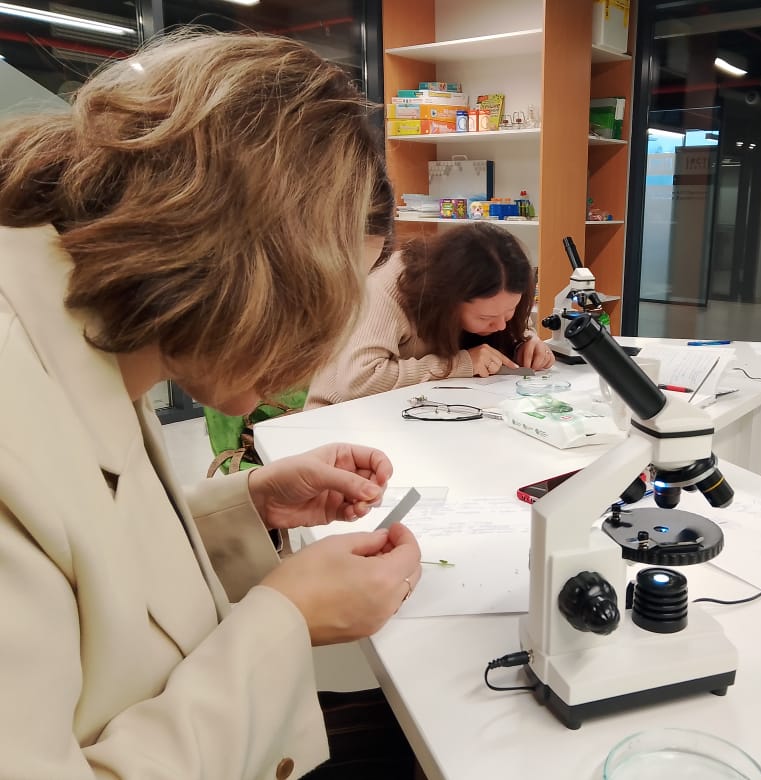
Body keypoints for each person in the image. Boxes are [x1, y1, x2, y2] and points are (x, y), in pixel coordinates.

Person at [0, 32, 422, 779]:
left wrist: (246, 506)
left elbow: (80, 547)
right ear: (242, 265)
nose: (314, 350)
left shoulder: (83, 324)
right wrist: (286, 620)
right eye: (317, 304)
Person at [307, 220, 554, 407]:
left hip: (418, 409)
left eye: (510, 311)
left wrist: (525, 342)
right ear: (448, 298)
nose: (501, 325)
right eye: (485, 319)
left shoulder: (497, 296)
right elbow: (359, 381)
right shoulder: (389, 286)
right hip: (340, 416)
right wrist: (461, 364)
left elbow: (506, 325)